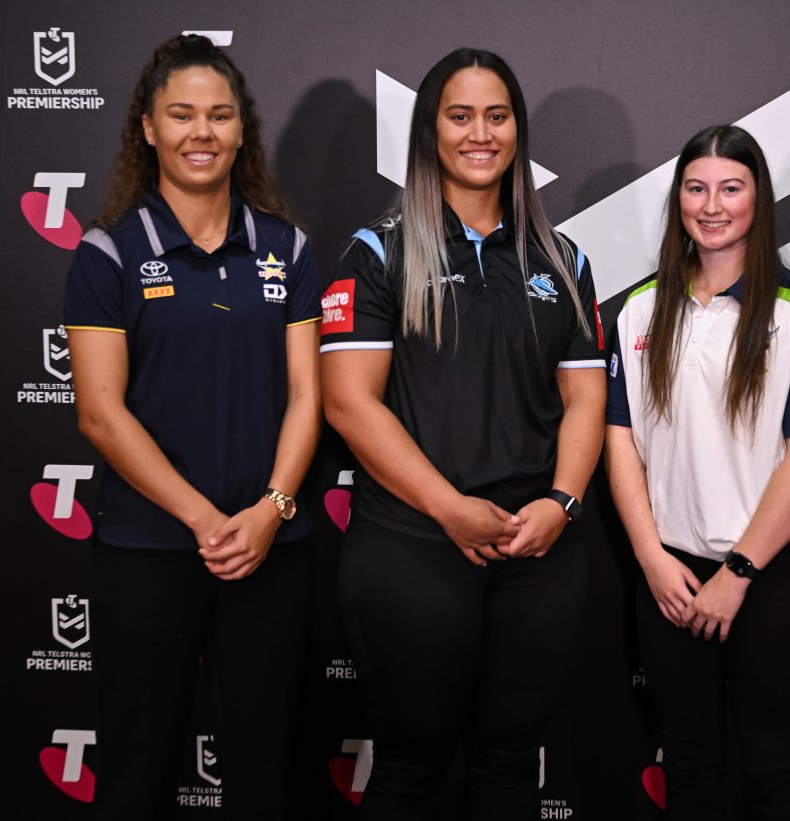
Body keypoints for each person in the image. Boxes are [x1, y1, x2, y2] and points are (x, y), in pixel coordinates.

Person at [320, 48, 606, 819]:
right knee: (411, 769)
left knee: (509, 769)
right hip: (415, 547)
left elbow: (586, 399)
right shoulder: (379, 250)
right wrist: (449, 507)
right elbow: (349, 404)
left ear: (517, 129)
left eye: (497, 115)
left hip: (536, 549)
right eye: (460, 115)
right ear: (430, 131)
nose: (480, 133)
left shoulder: (561, 256)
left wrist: (562, 503)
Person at [63, 34, 321, 820]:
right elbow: (101, 414)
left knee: (266, 771)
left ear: (243, 130)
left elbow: (309, 396)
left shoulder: (287, 246)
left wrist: (271, 512)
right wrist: (208, 519)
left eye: (218, 115)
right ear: (147, 127)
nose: (200, 132)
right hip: (148, 551)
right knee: (137, 772)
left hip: (270, 552)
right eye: (181, 114)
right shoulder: (107, 253)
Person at [604, 124, 790, 819]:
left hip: (770, 578)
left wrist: (738, 574)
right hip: (671, 580)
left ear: (759, 200)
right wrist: (652, 557)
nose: (712, 205)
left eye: (731, 188)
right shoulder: (637, 309)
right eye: (696, 188)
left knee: (772, 765)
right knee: (687, 762)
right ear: (678, 198)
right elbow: (619, 439)